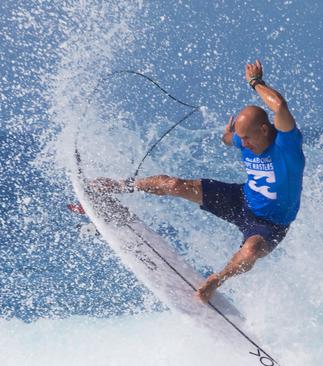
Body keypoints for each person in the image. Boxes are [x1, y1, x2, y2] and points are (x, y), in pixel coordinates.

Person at [91, 60, 305, 303]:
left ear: (265, 130)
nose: (243, 144)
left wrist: (255, 83)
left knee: (252, 249)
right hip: (242, 199)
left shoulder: (287, 146)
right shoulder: (243, 139)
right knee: (174, 185)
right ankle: (119, 186)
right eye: (241, 138)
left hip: (271, 224)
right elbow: (229, 138)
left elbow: (281, 108)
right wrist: (227, 136)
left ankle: (216, 280)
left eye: (247, 138)